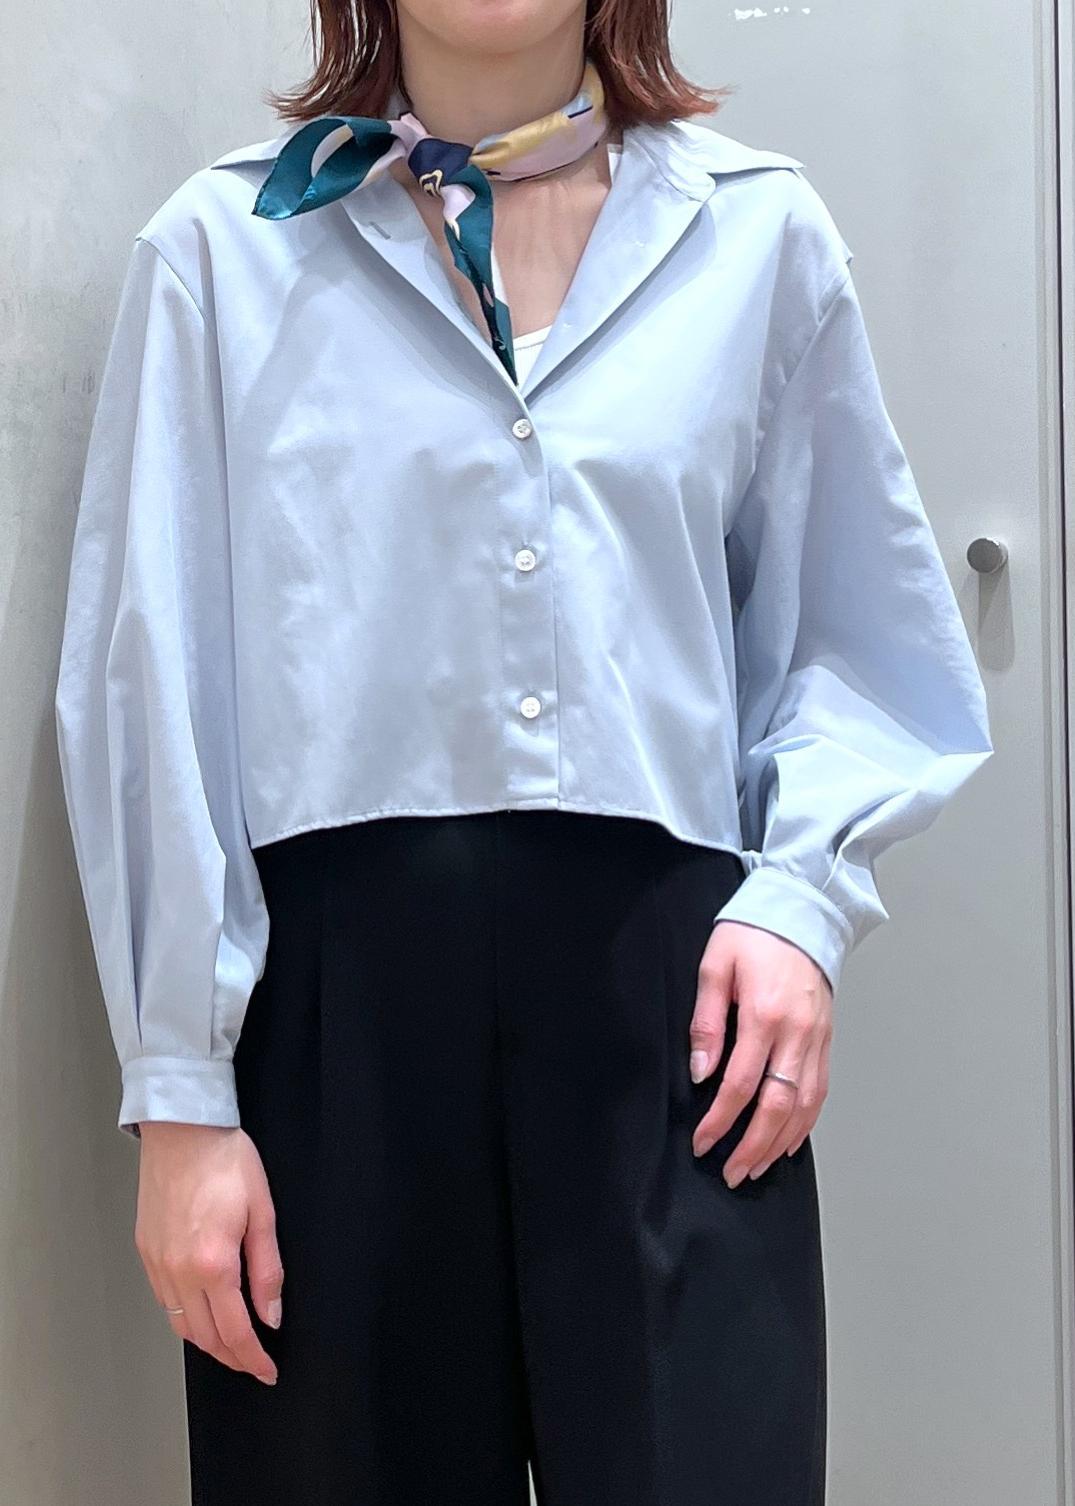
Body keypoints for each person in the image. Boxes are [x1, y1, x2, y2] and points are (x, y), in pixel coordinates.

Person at [53, 2, 994, 1502]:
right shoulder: (224, 252)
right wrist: (181, 1096)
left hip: (678, 1026)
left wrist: (803, 904)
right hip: (333, 1037)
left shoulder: (757, 239)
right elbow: (149, 676)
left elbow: (859, 631)